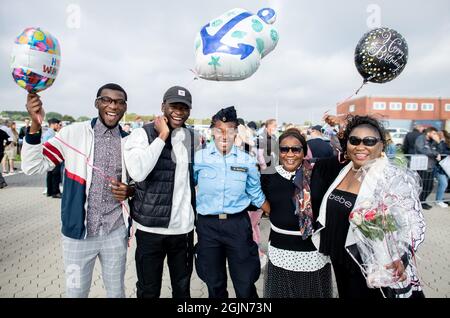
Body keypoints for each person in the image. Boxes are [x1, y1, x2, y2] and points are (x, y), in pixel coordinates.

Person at [21, 83, 134, 298]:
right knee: (75, 293)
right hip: (77, 236)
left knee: (117, 293)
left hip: (115, 233)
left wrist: (131, 190)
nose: (113, 106)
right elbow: (33, 166)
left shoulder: (129, 141)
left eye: (119, 102)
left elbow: (140, 181)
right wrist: (35, 126)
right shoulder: (73, 134)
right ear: (97, 103)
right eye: (107, 100)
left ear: (125, 107)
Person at [311, 115, 425, 298]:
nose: (360, 146)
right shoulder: (343, 170)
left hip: (375, 266)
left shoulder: (392, 177)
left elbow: (415, 225)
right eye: (354, 140)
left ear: (381, 146)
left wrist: (402, 258)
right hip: (341, 259)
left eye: (369, 141)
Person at [124, 85, 197, 298]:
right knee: (149, 290)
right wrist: (162, 136)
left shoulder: (191, 137)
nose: (179, 111)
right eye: (174, 106)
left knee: (182, 290)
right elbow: (138, 172)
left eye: (184, 107)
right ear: (163, 106)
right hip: (151, 231)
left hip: (183, 231)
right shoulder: (141, 134)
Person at [194, 106, 270, 298]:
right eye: (219, 130)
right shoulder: (199, 158)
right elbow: (187, 186)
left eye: (230, 130)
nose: (224, 135)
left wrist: (274, 213)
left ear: (236, 132)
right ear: (212, 131)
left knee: (245, 283)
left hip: (237, 225)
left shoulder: (246, 161)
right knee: (214, 283)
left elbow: (255, 192)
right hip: (208, 226)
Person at [261, 128, 332, 298]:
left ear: (304, 151)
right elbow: (259, 199)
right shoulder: (268, 175)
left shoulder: (317, 173)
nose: (290, 154)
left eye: (296, 149)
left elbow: (344, 157)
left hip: (311, 251)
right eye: (285, 149)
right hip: (280, 249)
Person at [414, 127, 444, 210]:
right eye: (434, 133)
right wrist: (435, 154)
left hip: (431, 166)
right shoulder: (421, 138)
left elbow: (440, 151)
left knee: (429, 186)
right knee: (422, 185)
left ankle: (422, 201)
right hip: (421, 166)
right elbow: (422, 150)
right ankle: (420, 202)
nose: (435, 135)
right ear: (428, 133)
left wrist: (438, 142)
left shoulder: (433, 141)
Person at [41, 118, 63, 198]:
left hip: (47, 157)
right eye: (57, 124)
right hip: (53, 157)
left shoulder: (46, 133)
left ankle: (49, 191)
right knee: (55, 174)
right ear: (53, 124)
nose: (58, 126)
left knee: (50, 174)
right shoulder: (52, 134)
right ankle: (55, 192)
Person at [434, 130, 450, 208]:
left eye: (440, 133)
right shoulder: (437, 142)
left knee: (443, 184)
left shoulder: (446, 141)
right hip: (439, 167)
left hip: (445, 166)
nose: (439, 134)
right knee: (444, 184)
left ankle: (439, 199)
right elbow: (440, 151)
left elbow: (444, 151)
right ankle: (439, 201)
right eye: (438, 133)